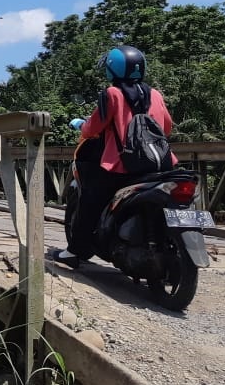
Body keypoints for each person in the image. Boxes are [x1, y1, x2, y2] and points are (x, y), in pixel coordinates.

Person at [55, 45, 176, 268]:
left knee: (90, 201)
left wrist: (81, 125)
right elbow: (166, 128)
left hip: (121, 167)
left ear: (112, 69)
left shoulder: (112, 94)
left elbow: (93, 128)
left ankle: (75, 252)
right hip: (160, 166)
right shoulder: (155, 94)